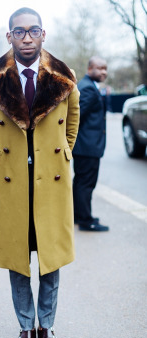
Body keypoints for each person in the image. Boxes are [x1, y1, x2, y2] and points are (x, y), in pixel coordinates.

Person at [0, 7, 80, 338]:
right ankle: (25, 327)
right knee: (18, 262)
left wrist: (64, 151)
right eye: (19, 32)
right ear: (9, 37)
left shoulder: (64, 76)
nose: (26, 38)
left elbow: (73, 120)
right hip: (12, 184)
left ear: (43, 34)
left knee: (50, 262)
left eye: (32, 31)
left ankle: (47, 327)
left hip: (50, 182)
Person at [72, 56, 109, 231]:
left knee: (81, 183)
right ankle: (86, 221)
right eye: (99, 68)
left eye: (105, 69)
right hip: (87, 147)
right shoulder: (87, 89)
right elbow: (76, 118)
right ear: (89, 69)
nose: (104, 72)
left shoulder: (89, 87)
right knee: (85, 184)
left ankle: (79, 216)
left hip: (86, 146)